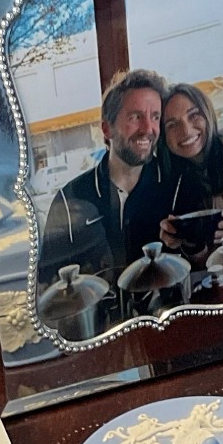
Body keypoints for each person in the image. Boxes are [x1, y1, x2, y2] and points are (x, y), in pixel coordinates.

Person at [38, 69, 176, 293]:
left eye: (155, 117)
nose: (148, 129)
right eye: (135, 117)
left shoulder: (173, 185)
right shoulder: (70, 197)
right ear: (106, 129)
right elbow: (48, 283)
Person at [156, 82, 223, 261]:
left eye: (193, 115)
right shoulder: (180, 183)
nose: (186, 130)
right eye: (172, 124)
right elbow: (207, 261)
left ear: (208, 114)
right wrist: (189, 242)